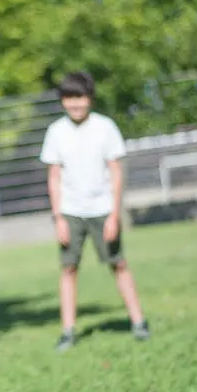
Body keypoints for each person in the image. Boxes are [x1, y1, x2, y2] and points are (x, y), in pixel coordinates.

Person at [39, 71, 150, 352]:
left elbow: (116, 173)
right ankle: (68, 331)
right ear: (62, 101)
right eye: (69, 99)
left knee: (119, 263)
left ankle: (138, 322)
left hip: (102, 209)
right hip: (70, 211)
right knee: (68, 268)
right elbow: (54, 177)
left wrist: (114, 215)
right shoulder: (56, 132)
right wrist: (59, 218)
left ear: (90, 99)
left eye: (80, 98)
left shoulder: (106, 128)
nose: (75, 104)